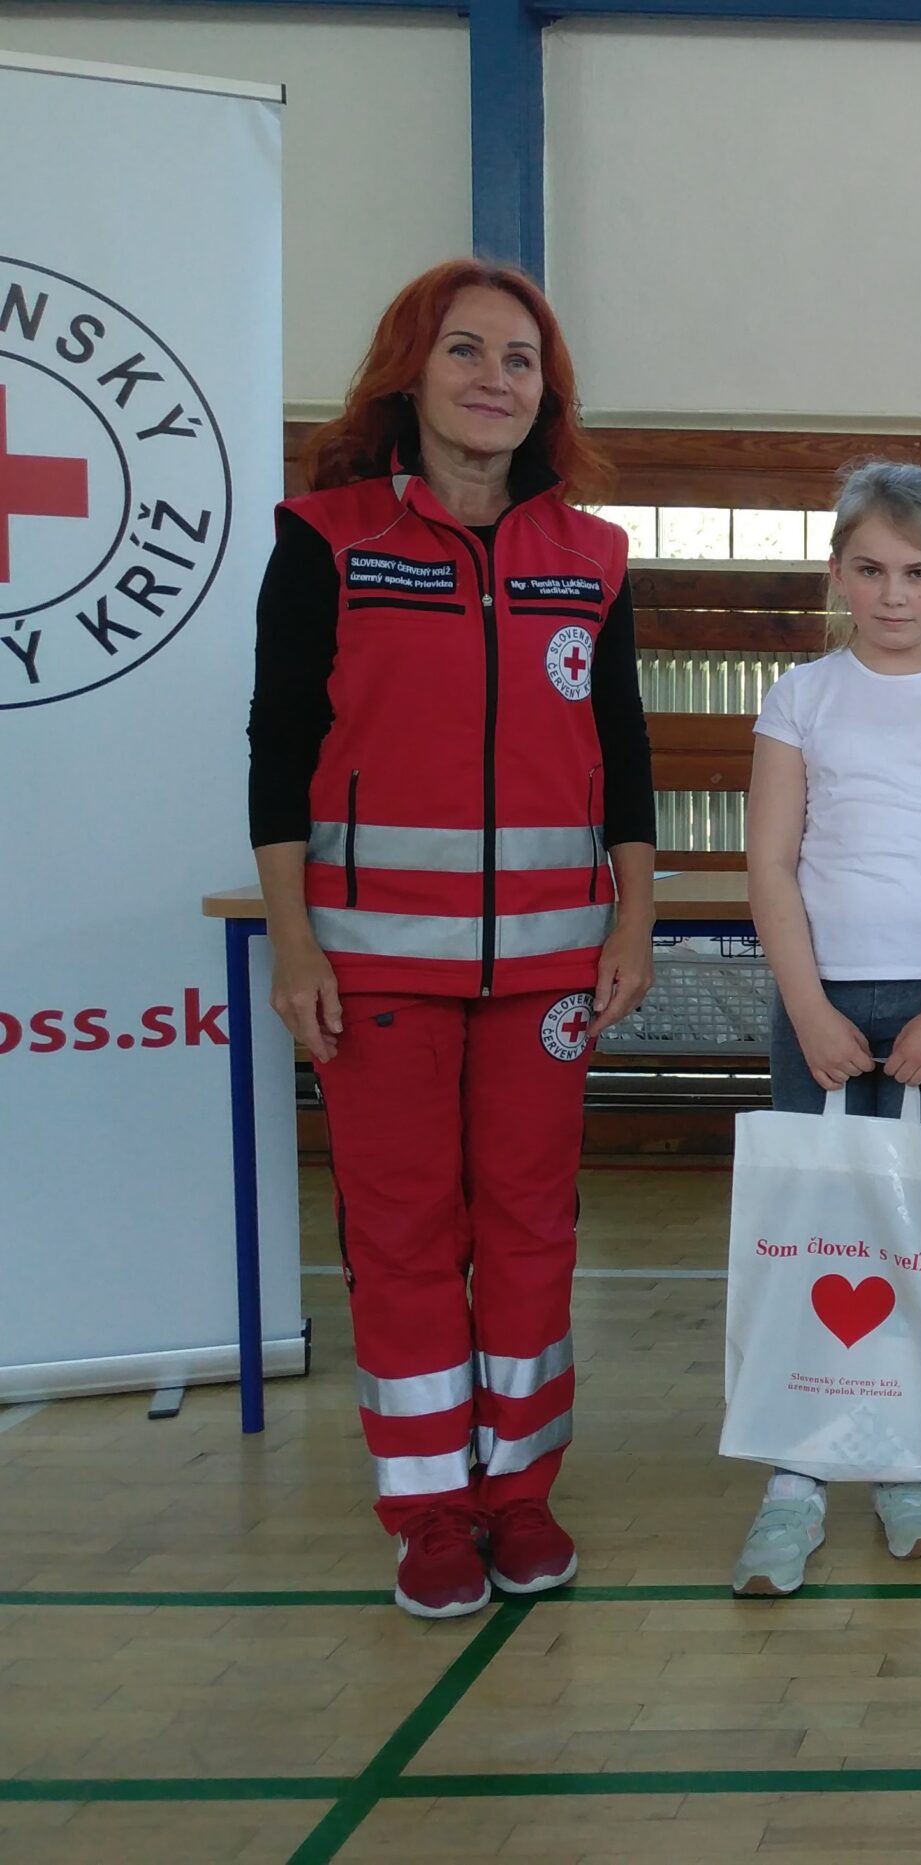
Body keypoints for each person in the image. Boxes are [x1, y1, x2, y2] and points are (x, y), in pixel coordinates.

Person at [246, 260, 655, 1619]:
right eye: (466, 350)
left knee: (533, 1231)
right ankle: (428, 1509)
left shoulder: (592, 558)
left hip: (549, 969)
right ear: (409, 373)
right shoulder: (324, 538)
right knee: (405, 1237)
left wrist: (633, 919)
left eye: (520, 359)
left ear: (549, 393)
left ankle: (520, 1493)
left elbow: (624, 755)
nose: (495, 378)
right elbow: (278, 752)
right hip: (374, 969)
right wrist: (296, 946)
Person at [729, 462, 921, 1594]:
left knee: (914, 1233)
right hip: (821, 995)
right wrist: (807, 1003)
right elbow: (771, 861)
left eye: (916, 571)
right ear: (836, 575)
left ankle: (906, 1452)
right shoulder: (801, 696)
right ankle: (796, 1469)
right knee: (814, 1230)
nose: (893, 593)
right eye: (870, 569)